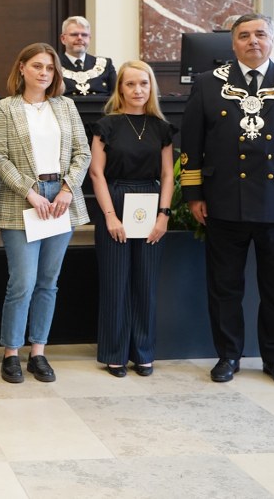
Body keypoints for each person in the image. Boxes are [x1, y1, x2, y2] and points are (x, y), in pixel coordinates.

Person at [181, 13, 274, 387]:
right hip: (224, 202)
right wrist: (194, 194)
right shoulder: (208, 83)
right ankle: (228, 356)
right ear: (232, 44)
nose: (253, 41)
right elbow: (192, 142)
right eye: (244, 35)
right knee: (224, 287)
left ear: (271, 41)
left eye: (260, 34)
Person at [0, 43, 90, 384]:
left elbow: (82, 152)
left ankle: (38, 352)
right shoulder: (5, 108)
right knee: (22, 282)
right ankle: (11, 353)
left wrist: (67, 189)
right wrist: (30, 192)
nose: (44, 72)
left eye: (49, 67)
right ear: (22, 68)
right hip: (23, 199)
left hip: (61, 199)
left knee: (48, 282)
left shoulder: (66, 106)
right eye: (37, 66)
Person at [88, 61, 175, 377]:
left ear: (152, 87)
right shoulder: (106, 125)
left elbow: (168, 174)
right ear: (120, 89)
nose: (138, 90)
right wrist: (110, 216)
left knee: (145, 283)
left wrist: (163, 215)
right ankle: (114, 352)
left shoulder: (161, 128)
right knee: (115, 282)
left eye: (144, 84)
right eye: (130, 84)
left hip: (150, 201)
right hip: (115, 198)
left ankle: (143, 352)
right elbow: (96, 173)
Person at [58, 16, 116, 96]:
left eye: (84, 35)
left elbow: (115, 97)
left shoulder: (105, 64)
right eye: (74, 34)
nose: (80, 38)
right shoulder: (54, 65)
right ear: (63, 39)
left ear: (89, 38)